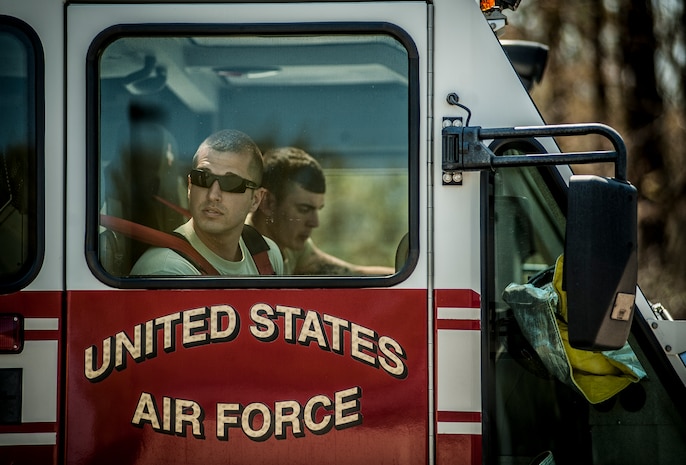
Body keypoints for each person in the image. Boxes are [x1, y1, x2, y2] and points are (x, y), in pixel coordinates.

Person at [130, 129, 284, 276]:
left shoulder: (267, 255)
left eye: (231, 183)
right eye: (203, 178)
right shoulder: (166, 270)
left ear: (255, 200)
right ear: (190, 186)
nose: (212, 195)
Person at [248, 147, 394, 276]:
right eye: (303, 209)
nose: (314, 223)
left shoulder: (291, 247)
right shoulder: (236, 250)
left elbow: (354, 273)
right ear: (267, 202)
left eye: (317, 209)